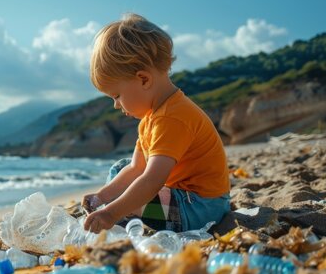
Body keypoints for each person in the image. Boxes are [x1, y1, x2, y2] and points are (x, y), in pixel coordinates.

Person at [82, 13, 230, 234]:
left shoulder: (172, 117)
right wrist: (102, 196)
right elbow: (136, 168)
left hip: (200, 209)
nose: (116, 105)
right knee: (121, 169)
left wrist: (111, 212)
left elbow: (152, 180)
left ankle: (119, 219)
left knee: (131, 193)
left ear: (143, 79)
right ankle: (120, 215)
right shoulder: (151, 118)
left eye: (117, 96)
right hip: (183, 200)